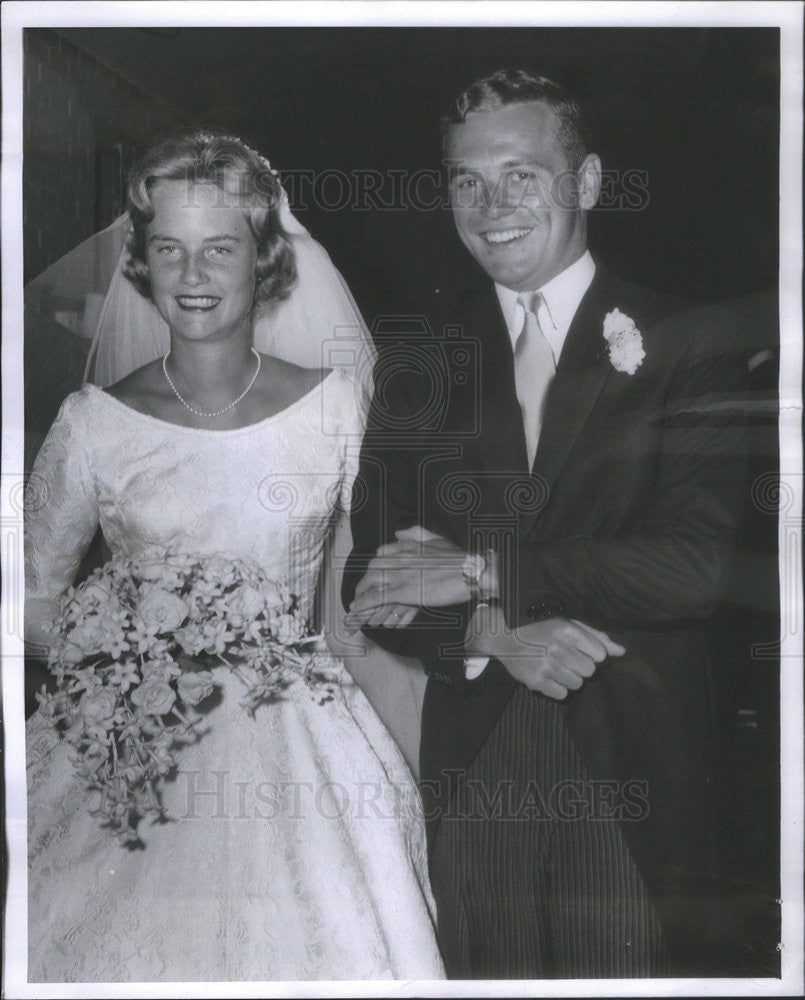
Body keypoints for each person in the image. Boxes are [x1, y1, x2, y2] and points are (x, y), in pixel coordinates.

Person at [344, 69, 748, 978]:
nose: (491, 207)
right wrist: (494, 629)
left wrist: (484, 570)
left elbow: (689, 571)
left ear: (589, 181)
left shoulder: (693, 340)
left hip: (634, 759)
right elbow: (368, 582)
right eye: (466, 181)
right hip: (477, 757)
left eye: (522, 174)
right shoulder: (421, 356)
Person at [24, 129, 445, 982]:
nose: (191, 275)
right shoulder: (92, 423)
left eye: (219, 249)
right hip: (131, 752)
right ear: (139, 263)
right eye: (167, 250)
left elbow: (370, 583)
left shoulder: (336, 409)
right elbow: (28, 596)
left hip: (298, 745)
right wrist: (114, 661)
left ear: (264, 261)